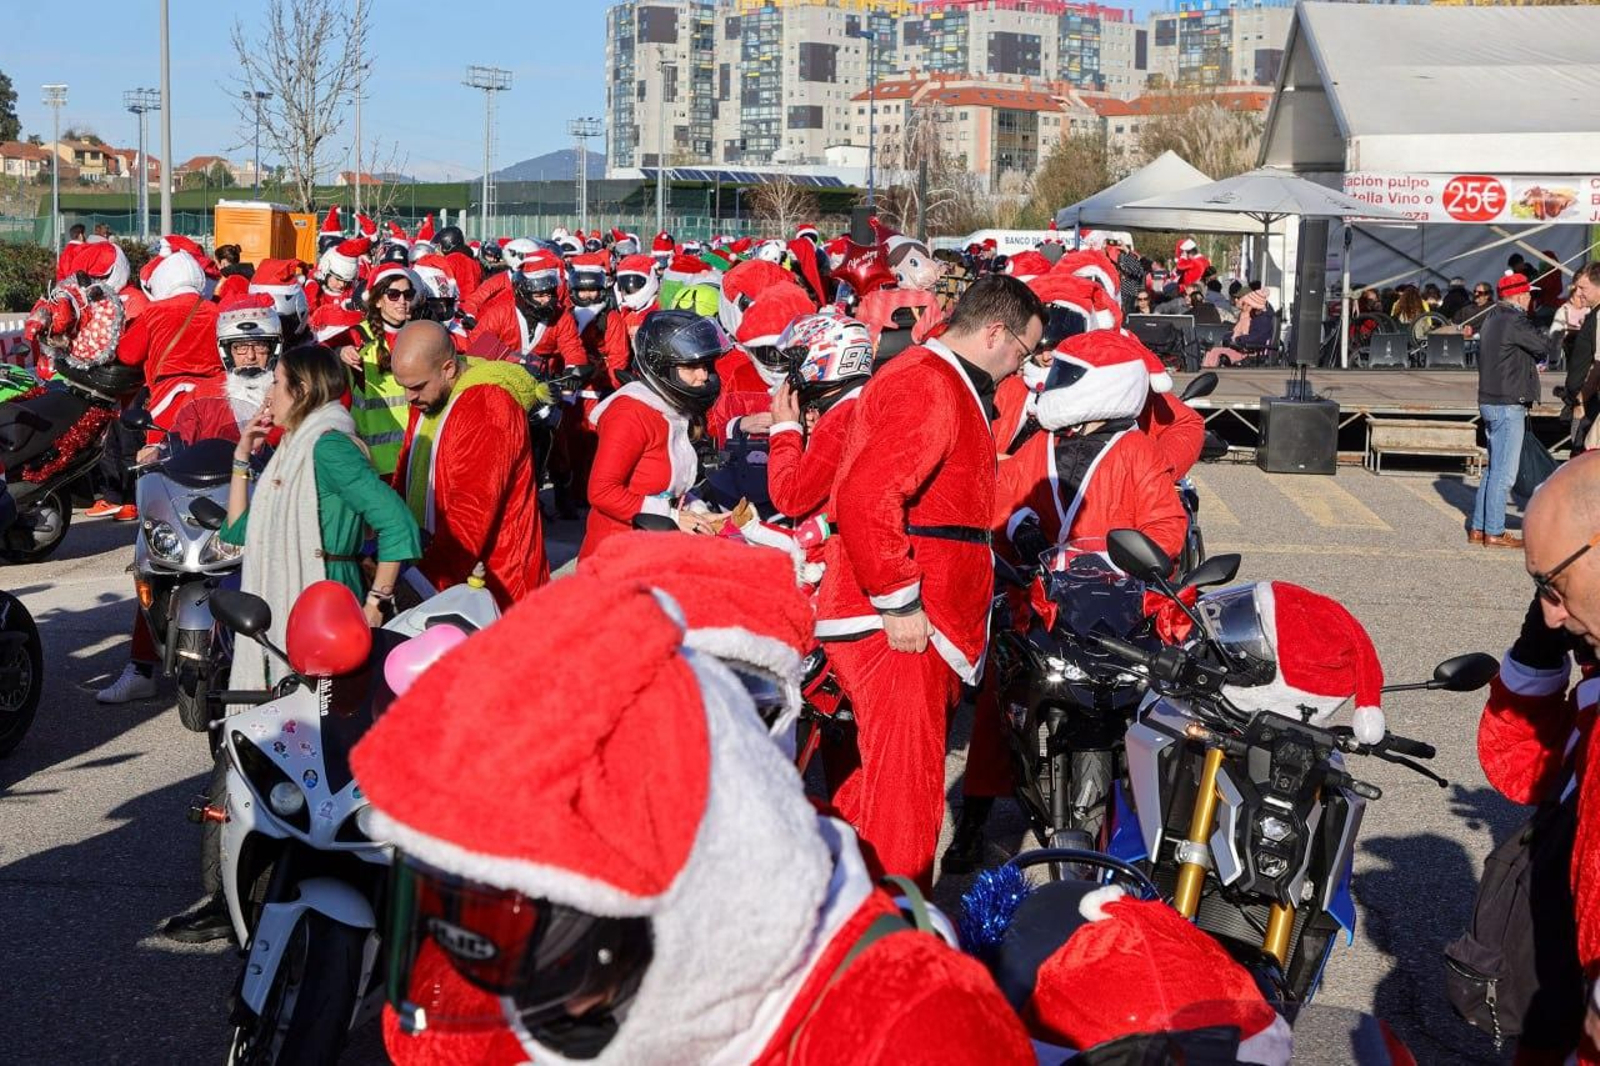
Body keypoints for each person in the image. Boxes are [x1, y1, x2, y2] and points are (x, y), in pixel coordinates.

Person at [354, 575, 1035, 1066]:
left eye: (545, 947)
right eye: (468, 907)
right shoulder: (522, 971)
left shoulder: (906, 1028)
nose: (503, 989)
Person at [815, 275, 1045, 890]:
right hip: (901, 619)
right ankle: (895, 940)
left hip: (923, 615)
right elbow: (868, 495)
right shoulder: (929, 382)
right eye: (1023, 352)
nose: (1020, 369)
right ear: (995, 333)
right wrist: (899, 598)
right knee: (906, 798)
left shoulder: (940, 381)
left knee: (886, 786)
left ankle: (856, 912)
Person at [94, 296, 285, 705]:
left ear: (274, 347)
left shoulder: (288, 393)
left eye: (259, 346)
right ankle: (141, 667)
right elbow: (178, 436)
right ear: (226, 351)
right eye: (240, 347)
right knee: (153, 564)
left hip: (268, 507)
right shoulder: (202, 394)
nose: (250, 355)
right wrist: (157, 450)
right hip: (210, 505)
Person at [1476, 452, 1600, 1065]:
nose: (1551, 611)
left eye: (1554, 588)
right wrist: (1541, 644)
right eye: (1537, 590)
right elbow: (1520, 766)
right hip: (1556, 968)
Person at [222, 344, 419, 689]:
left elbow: (396, 522)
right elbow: (240, 531)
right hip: (300, 595)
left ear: (302, 391)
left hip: (328, 598)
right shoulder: (293, 447)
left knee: (323, 713)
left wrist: (377, 603)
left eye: (277, 382)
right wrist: (241, 456)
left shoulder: (327, 446)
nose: (269, 394)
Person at [390, 321, 549, 607]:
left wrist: (420, 585)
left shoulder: (488, 407)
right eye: (403, 387)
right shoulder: (430, 396)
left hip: (497, 587)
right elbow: (406, 471)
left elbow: (471, 512)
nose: (408, 397)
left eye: (415, 387)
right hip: (447, 572)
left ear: (448, 368)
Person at [580, 311, 729, 559]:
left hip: (657, 550)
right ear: (662, 367)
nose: (703, 376)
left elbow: (663, 486)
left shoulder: (672, 408)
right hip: (618, 555)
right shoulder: (630, 414)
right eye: (691, 367)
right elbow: (602, 491)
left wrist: (697, 511)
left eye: (705, 366)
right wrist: (670, 516)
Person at [765, 312, 874, 524]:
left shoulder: (840, 421)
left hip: (832, 546)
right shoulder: (863, 400)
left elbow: (790, 498)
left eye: (795, 363)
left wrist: (784, 430)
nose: (790, 373)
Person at [1472, 273, 1555, 548]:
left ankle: (1478, 527)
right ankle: (1494, 531)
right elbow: (1544, 345)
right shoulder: (1515, 320)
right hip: (1508, 402)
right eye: (1529, 294)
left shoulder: (1492, 318)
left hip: (1490, 400)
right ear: (1519, 295)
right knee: (1504, 473)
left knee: (1492, 469)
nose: (1531, 298)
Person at [338, 262, 419, 478]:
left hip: (416, 458)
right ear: (378, 300)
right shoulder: (357, 337)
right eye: (393, 295)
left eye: (407, 294)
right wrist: (339, 352)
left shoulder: (421, 333)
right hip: (373, 465)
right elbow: (317, 361)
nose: (402, 301)